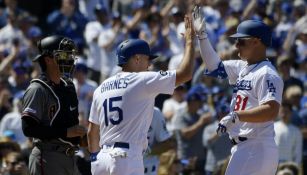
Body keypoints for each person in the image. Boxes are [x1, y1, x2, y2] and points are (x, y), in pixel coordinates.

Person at [87, 15, 195, 175]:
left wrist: (96, 158)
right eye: (147, 59)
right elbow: (185, 74)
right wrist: (190, 42)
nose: (150, 64)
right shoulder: (141, 79)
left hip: (102, 158)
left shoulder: (101, 88)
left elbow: (91, 133)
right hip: (126, 157)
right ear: (136, 58)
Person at [192, 6, 284, 175]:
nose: (236, 45)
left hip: (256, 146)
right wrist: (202, 36)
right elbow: (214, 66)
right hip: (247, 147)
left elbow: (271, 110)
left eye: (241, 41)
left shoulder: (267, 74)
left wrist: (237, 115)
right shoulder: (243, 67)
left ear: (256, 41)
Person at [21, 35, 87, 175]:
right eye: (64, 54)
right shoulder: (37, 89)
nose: (69, 59)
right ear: (48, 59)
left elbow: (69, 124)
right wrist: (65, 132)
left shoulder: (68, 87)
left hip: (70, 157)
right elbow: (28, 128)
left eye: (70, 55)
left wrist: (82, 137)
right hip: (48, 156)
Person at [143, 107, 176, 175]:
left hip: (148, 169)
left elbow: (167, 144)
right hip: (123, 167)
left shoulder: (155, 112)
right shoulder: (123, 108)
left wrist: (146, 153)